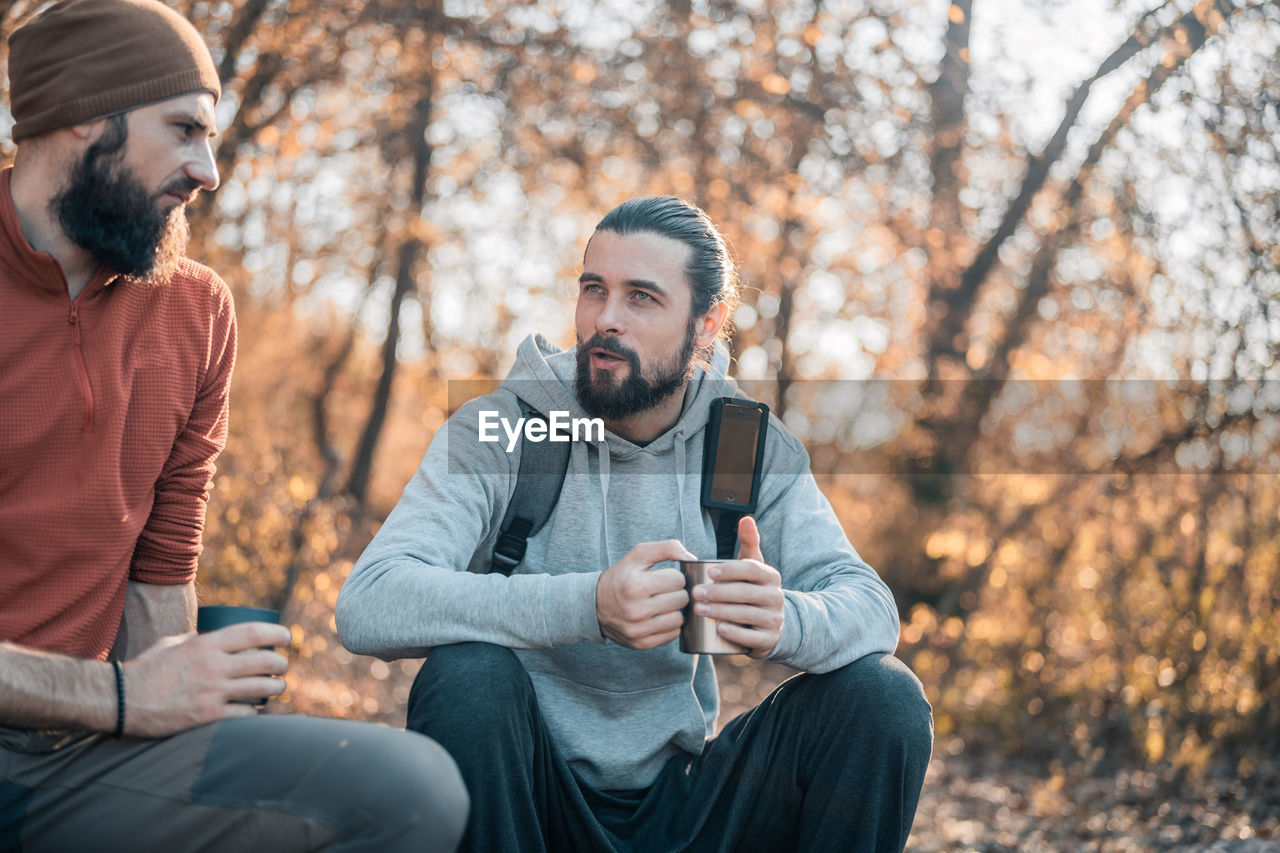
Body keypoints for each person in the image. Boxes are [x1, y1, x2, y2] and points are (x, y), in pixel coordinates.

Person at [0, 1, 467, 849]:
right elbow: (131, 690)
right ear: (77, 114)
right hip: (89, 713)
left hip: (84, 753)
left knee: (412, 789)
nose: (207, 171)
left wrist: (186, 695)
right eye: (182, 130)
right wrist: (126, 698)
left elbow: (161, 575)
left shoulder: (195, 311)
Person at [337, 195, 933, 851]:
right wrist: (587, 603)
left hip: (689, 806)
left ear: (708, 323)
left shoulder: (742, 447)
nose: (605, 320)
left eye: (641, 298)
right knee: (467, 678)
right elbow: (371, 600)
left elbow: (872, 608)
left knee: (884, 698)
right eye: (594, 290)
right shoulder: (503, 427)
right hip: (525, 800)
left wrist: (784, 619)